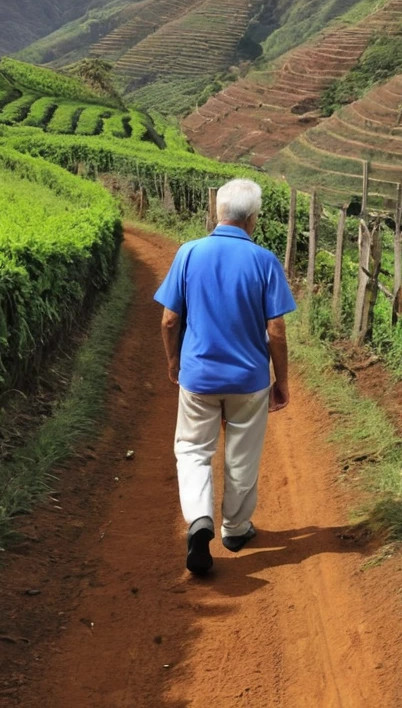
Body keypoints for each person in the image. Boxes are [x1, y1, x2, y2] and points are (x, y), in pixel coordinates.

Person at [154, 178, 296, 576]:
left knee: (193, 450)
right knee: (242, 454)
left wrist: (173, 362)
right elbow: (277, 331)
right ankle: (235, 528)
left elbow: (169, 320)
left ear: (219, 213)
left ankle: (200, 519)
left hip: (198, 376)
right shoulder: (265, 261)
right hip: (249, 379)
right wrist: (281, 380)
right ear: (252, 219)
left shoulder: (188, 253)